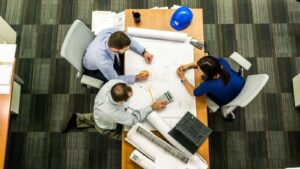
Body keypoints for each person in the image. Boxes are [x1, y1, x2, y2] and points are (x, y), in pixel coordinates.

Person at [62, 79, 167, 140]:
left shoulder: (114, 83)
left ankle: (77, 119)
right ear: (121, 102)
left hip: (99, 112)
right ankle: (78, 120)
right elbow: (132, 120)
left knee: (96, 117)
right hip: (106, 126)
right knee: (126, 136)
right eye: (129, 98)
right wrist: (152, 107)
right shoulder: (113, 113)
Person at [176, 54, 245, 120]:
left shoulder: (208, 84)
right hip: (241, 85)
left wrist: (183, 78)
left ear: (207, 74)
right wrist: (188, 65)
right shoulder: (222, 62)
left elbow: (193, 92)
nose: (197, 69)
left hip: (226, 100)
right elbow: (208, 63)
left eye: (198, 69)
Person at [83, 28, 154, 84]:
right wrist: (136, 78)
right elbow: (114, 79)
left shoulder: (113, 32)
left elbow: (128, 40)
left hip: (93, 51)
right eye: (126, 49)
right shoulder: (103, 61)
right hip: (93, 69)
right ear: (115, 49)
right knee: (118, 83)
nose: (128, 49)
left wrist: (143, 52)